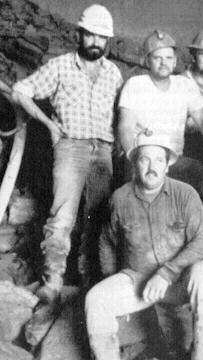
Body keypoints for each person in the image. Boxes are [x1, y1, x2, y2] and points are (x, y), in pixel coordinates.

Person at [11, 4, 123, 344]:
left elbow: (123, 112)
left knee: (99, 218)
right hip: (70, 146)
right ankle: (53, 284)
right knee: (62, 217)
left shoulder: (115, 74)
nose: (95, 41)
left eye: (102, 37)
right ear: (79, 34)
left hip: (103, 151)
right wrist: (48, 126)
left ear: (107, 41)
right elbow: (20, 91)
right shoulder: (60, 65)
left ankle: (91, 285)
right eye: (90, 34)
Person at [85, 131, 203, 360]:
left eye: (159, 160)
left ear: (167, 166)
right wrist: (110, 277)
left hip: (179, 280)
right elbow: (107, 241)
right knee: (95, 300)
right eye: (144, 159)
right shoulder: (119, 199)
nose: (152, 167)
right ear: (134, 165)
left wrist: (166, 273)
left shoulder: (185, 195)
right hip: (138, 282)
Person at [117, 29, 203, 194]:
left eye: (168, 58)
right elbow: (125, 127)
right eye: (157, 58)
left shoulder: (185, 85)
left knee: (198, 173)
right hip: (142, 157)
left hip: (173, 160)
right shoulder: (135, 84)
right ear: (147, 61)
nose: (164, 63)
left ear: (174, 62)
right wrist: (133, 157)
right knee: (137, 190)